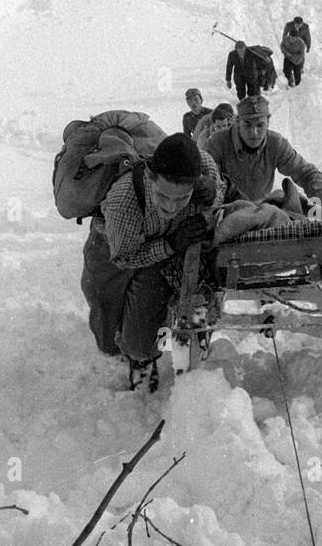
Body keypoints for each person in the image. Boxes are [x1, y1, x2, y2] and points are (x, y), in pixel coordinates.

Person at [80, 134, 224, 389]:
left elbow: (219, 195)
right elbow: (124, 257)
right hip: (112, 248)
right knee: (106, 327)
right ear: (151, 177)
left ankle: (142, 357)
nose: (171, 206)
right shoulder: (123, 199)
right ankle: (121, 349)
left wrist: (213, 195)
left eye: (182, 198)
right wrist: (170, 244)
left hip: (162, 252)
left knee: (140, 339)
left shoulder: (206, 166)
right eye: (164, 196)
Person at [206, 95, 322, 209]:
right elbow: (208, 183)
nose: (254, 132)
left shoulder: (276, 143)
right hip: (228, 212)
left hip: (263, 212)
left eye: (260, 125)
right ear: (238, 122)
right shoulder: (218, 143)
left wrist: (318, 205)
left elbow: (307, 174)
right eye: (247, 125)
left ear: (268, 123)